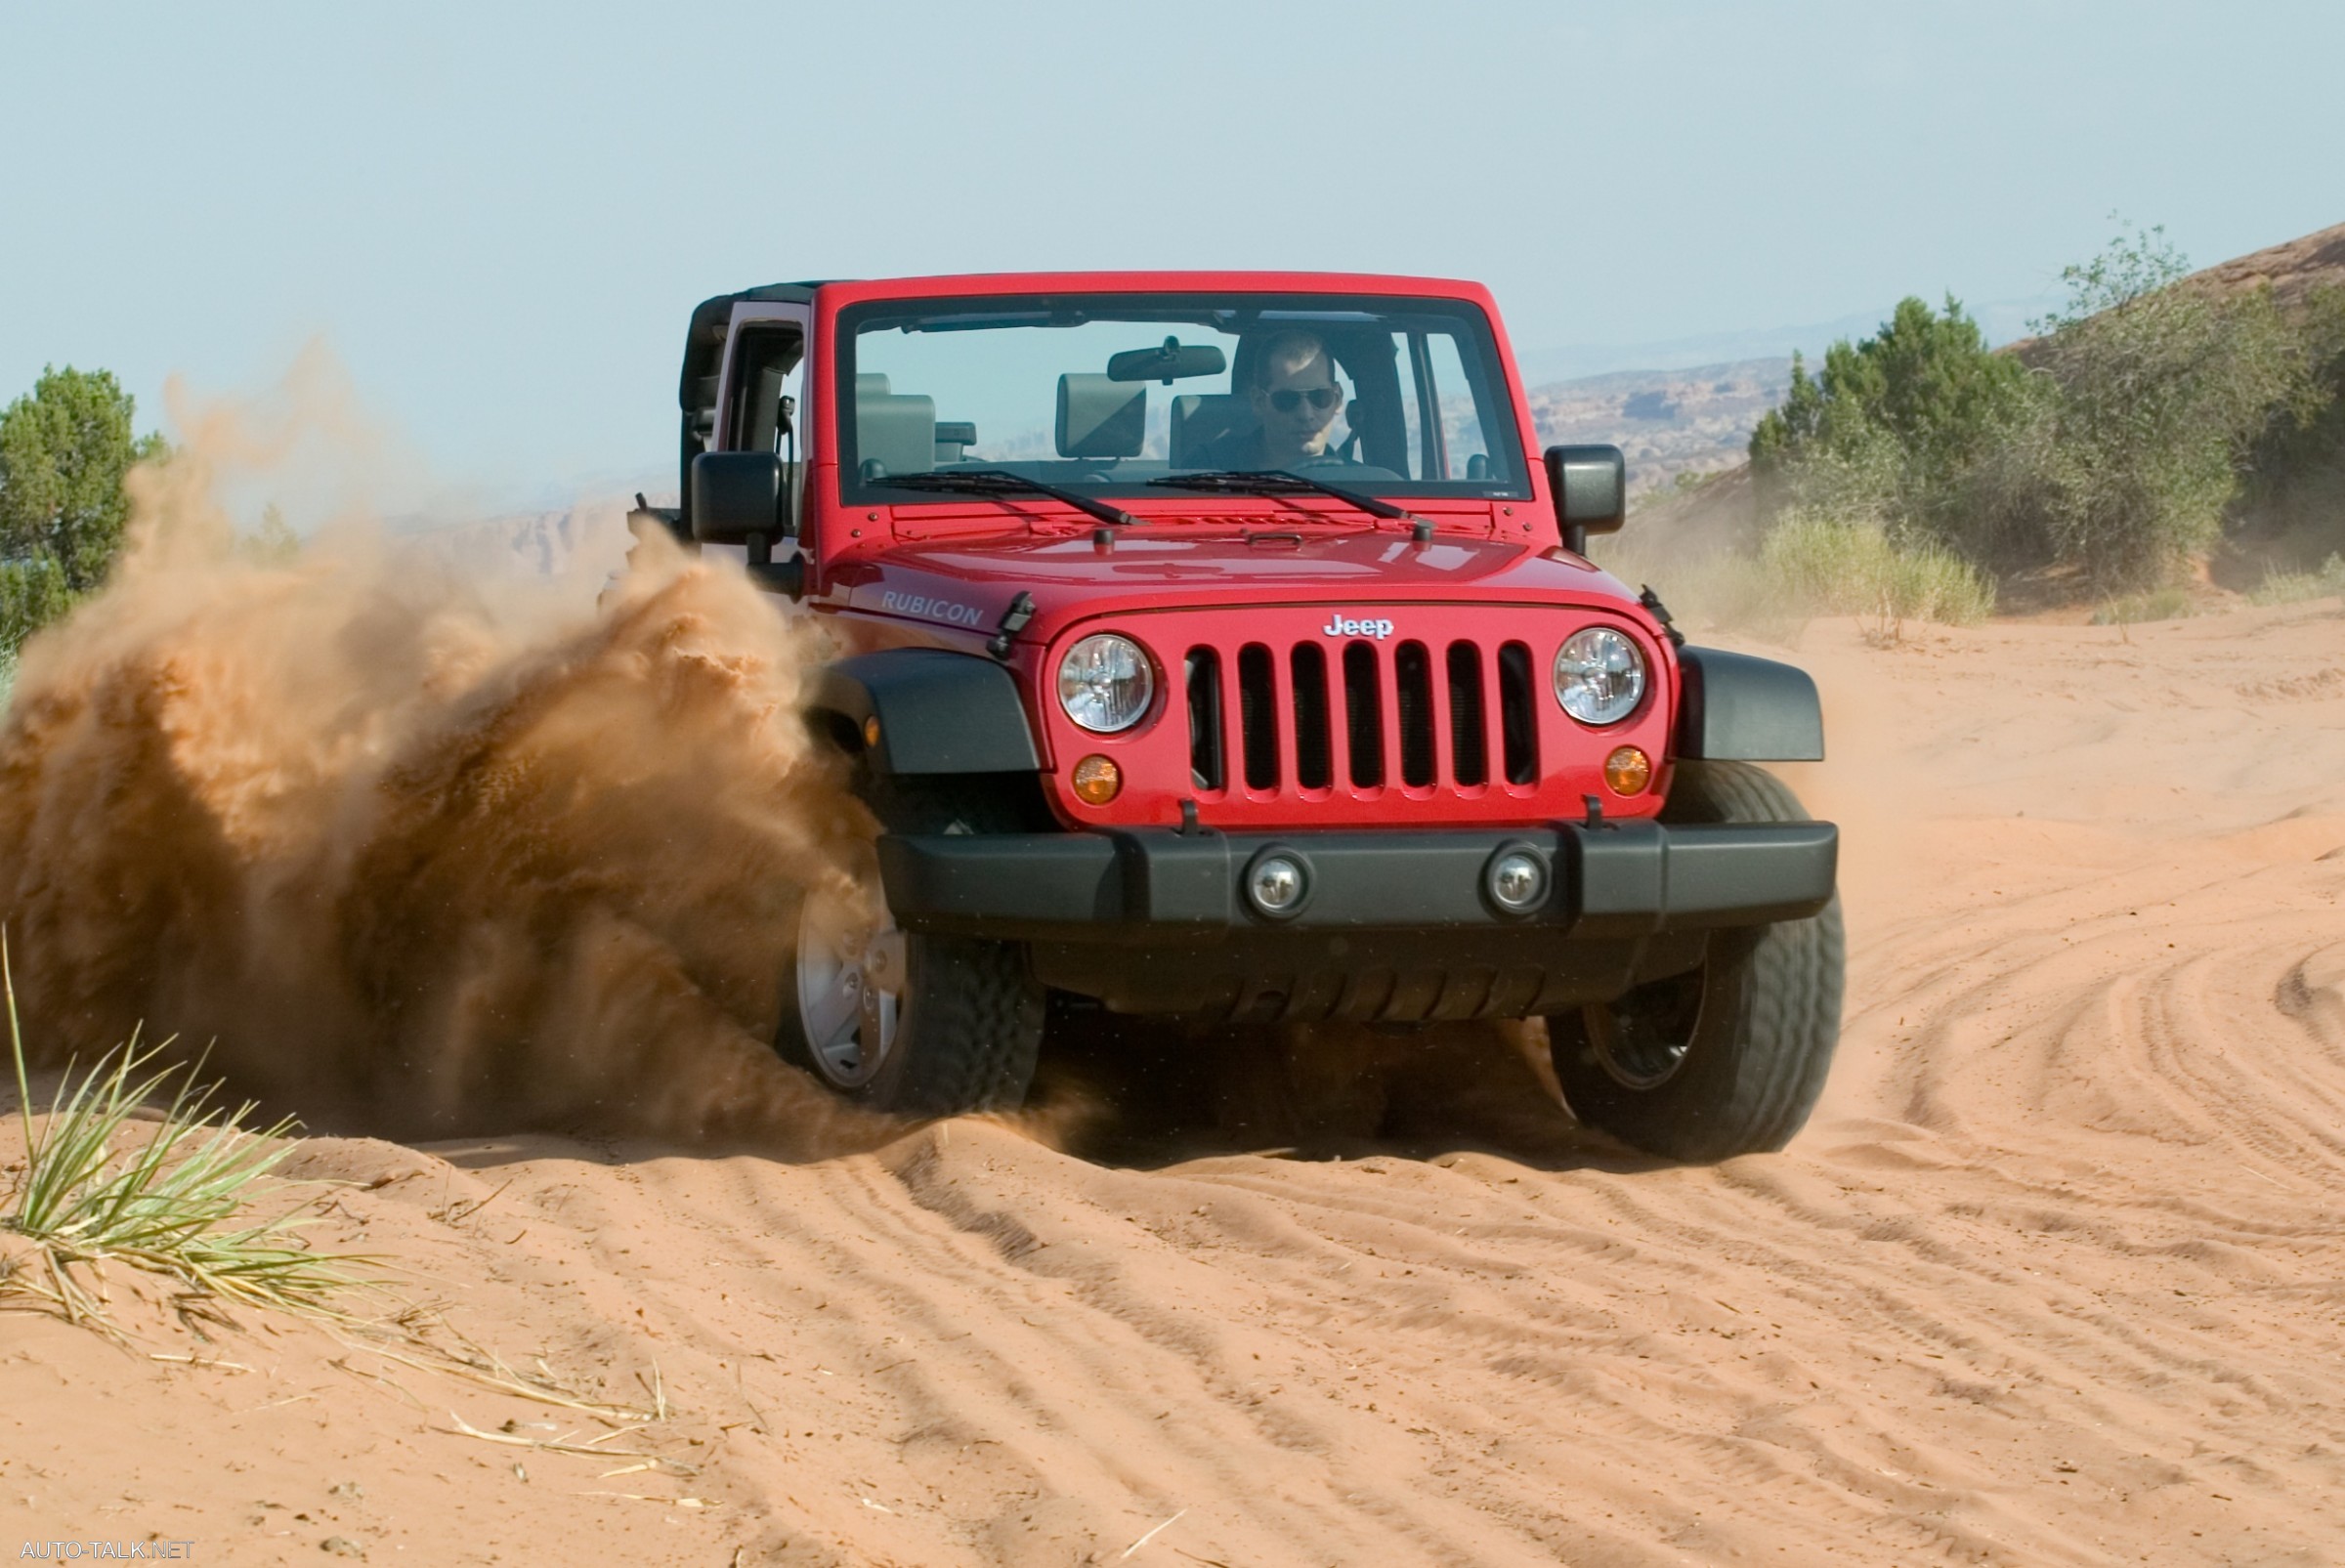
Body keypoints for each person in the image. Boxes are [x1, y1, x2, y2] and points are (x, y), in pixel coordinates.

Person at [1196, 329, 1351, 471]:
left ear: (1337, 399)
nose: (1306, 414)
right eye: (1287, 400)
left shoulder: (1358, 484)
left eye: (1319, 397)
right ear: (1258, 401)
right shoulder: (1206, 470)